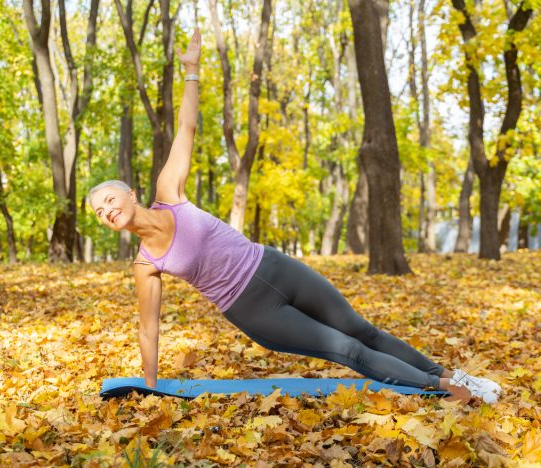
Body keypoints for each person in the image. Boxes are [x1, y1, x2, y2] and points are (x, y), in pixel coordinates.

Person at [89, 28, 502, 404]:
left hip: (274, 265)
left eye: (109, 199)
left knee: (363, 331)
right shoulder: (146, 264)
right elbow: (149, 328)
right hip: (252, 309)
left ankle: (453, 375)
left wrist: (193, 70)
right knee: (348, 350)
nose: (107, 211)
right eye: (99, 211)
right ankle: (449, 390)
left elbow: (187, 128)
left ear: (130, 193)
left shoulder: (169, 193)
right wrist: (151, 384)